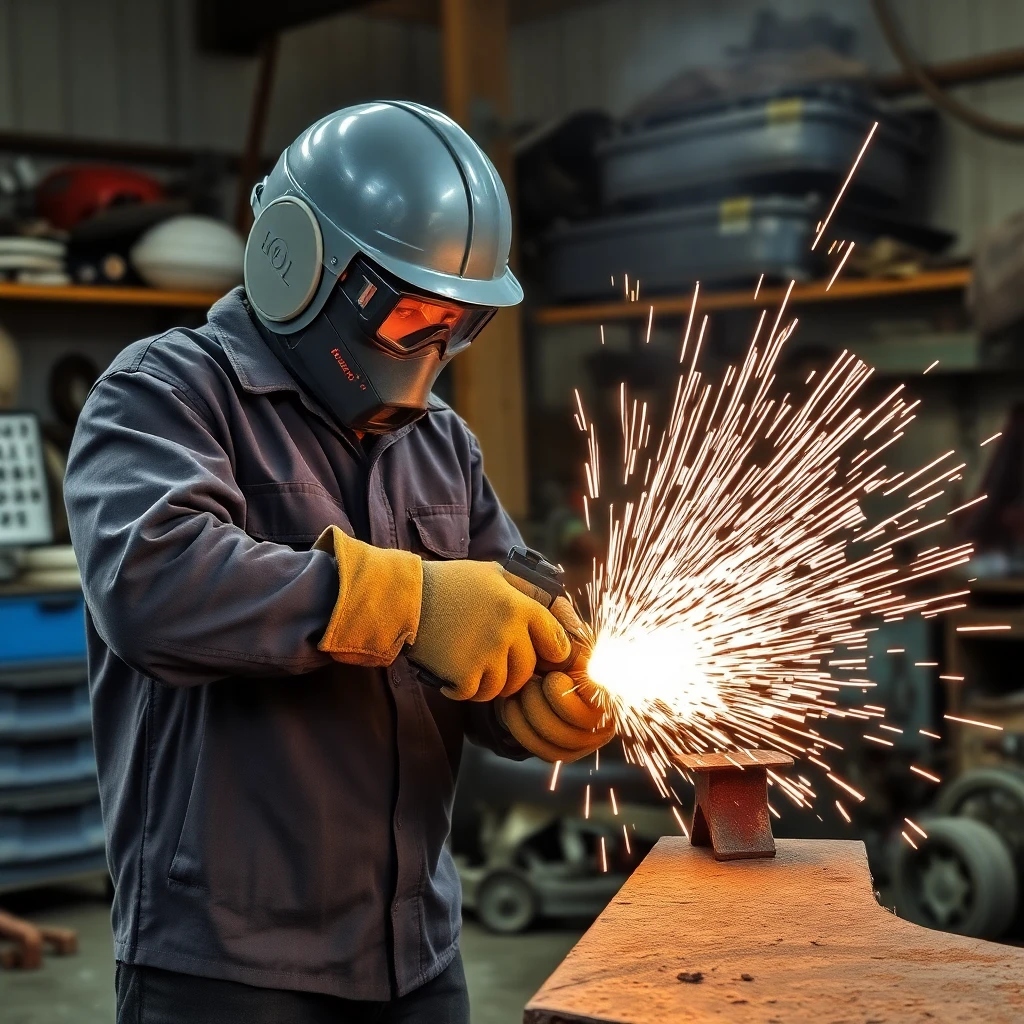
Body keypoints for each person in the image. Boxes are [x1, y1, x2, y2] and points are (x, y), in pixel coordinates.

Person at [64, 101, 613, 1024]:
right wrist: (410, 600)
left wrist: (529, 701)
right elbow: (153, 585)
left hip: (416, 954)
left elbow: (485, 625)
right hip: (230, 967)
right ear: (300, 261)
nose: (434, 353)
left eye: (459, 326)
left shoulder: (443, 447)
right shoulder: (166, 394)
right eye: (410, 317)